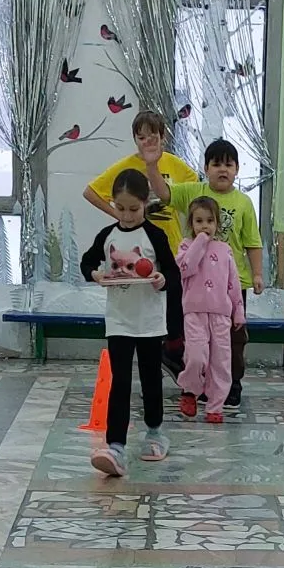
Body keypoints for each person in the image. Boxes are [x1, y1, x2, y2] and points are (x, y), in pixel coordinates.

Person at [145, 138, 263, 409]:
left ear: (237, 169)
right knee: (199, 341)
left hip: (232, 286)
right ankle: (198, 384)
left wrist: (257, 274)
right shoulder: (193, 192)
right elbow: (164, 194)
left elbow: (252, 242)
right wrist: (152, 165)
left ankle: (231, 385)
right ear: (206, 168)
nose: (223, 169)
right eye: (216, 164)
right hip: (196, 287)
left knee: (233, 342)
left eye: (229, 165)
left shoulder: (244, 202)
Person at [80, 169, 182, 476]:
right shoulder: (107, 235)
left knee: (151, 379)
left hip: (149, 322)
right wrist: (95, 274)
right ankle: (116, 446)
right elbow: (87, 261)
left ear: (145, 203)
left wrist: (161, 280)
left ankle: (155, 432)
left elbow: (173, 274)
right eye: (120, 208)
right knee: (120, 381)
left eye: (133, 209)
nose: (126, 216)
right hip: (119, 321)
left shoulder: (155, 236)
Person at [84, 110, 197, 383]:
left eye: (153, 135)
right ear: (135, 138)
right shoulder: (126, 166)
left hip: (170, 246)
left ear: (163, 136)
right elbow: (91, 192)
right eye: (141, 136)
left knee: (175, 307)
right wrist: (119, 215)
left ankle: (171, 352)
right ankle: (147, 358)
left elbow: (193, 197)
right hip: (136, 253)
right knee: (143, 306)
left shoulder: (177, 166)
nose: (147, 141)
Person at [176, 197, 246, 424]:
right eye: (199, 221)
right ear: (191, 223)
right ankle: (190, 391)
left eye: (209, 221)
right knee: (196, 356)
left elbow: (233, 283)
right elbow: (185, 269)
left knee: (221, 362)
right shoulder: (186, 246)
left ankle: (215, 406)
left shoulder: (225, 250)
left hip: (221, 315)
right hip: (194, 313)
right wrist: (199, 242)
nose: (204, 226)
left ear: (217, 223)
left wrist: (238, 311)